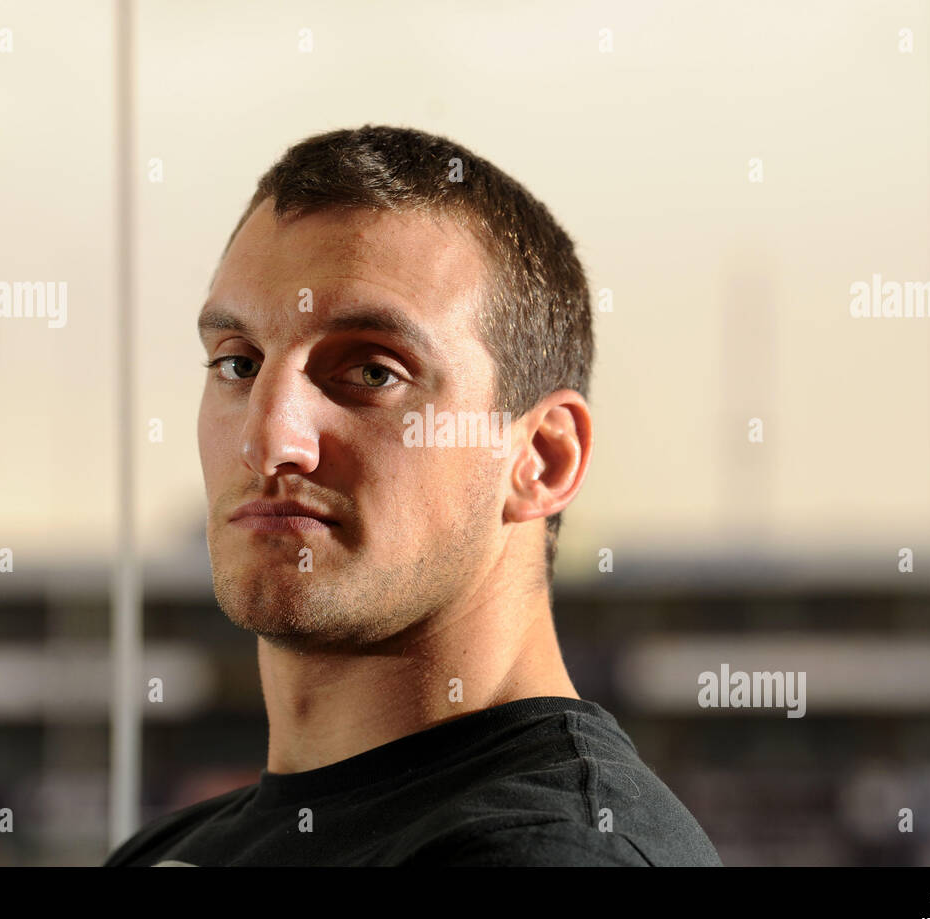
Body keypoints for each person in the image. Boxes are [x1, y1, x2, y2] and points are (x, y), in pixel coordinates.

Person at [104, 125, 720, 866]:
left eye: (371, 372)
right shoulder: (168, 851)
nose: (269, 441)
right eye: (238, 365)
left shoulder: (555, 854)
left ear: (543, 458)